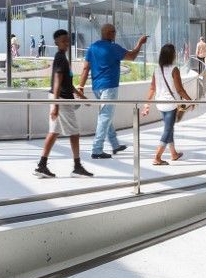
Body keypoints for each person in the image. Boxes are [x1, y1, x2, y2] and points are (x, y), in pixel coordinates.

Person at [77, 25, 147, 159]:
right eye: (114, 32)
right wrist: (140, 43)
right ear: (110, 34)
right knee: (104, 117)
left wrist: (81, 86)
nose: (115, 34)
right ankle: (97, 149)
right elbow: (132, 56)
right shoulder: (114, 48)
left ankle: (115, 145)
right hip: (109, 87)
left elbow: (86, 69)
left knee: (105, 115)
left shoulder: (92, 47)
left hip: (96, 87)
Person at [33, 29, 92, 179]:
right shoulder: (60, 58)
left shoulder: (62, 58)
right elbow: (58, 82)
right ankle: (77, 167)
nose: (66, 42)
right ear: (56, 43)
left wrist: (81, 96)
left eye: (67, 40)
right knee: (74, 133)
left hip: (59, 98)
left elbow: (68, 83)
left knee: (54, 132)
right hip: (62, 100)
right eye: (63, 40)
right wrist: (56, 105)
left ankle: (42, 165)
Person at [143, 44, 192, 166]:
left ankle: (173, 154)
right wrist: (190, 100)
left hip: (160, 103)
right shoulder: (174, 69)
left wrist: (146, 103)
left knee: (169, 128)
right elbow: (180, 90)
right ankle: (157, 157)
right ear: (172, 55)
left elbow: (152, 88)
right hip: (170, 104)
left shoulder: (157, 69)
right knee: (168, 129)